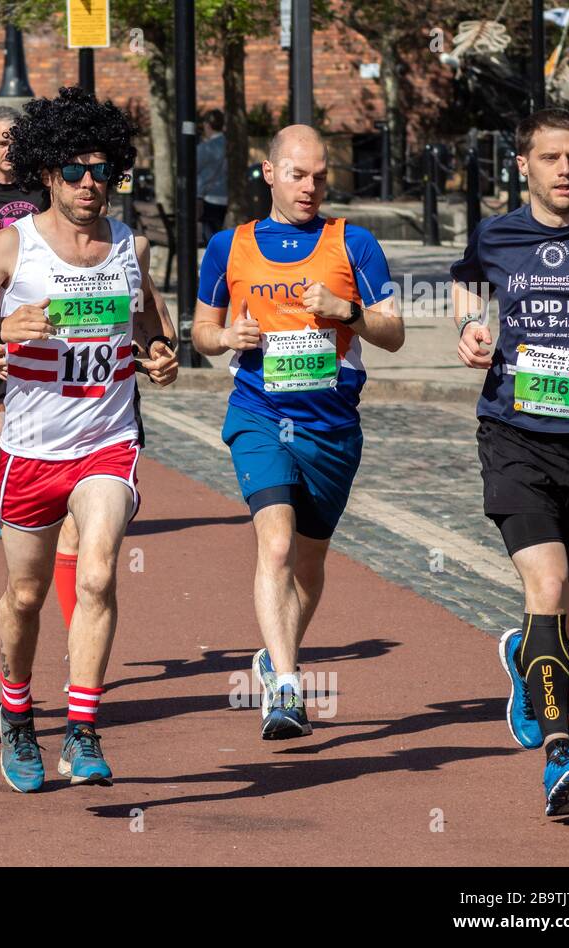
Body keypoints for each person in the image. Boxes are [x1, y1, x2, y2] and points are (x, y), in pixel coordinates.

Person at [0, 88, 179, 791]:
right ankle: (14, 710)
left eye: (102, 170)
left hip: (108, 440)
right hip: (33, 449)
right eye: (74, 169)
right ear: (46, 173)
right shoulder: (12, 245)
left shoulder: (132, 245)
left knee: (96, 571)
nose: (89, 183)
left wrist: (160, 355)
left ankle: (83, 729)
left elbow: (153, 329)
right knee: (26, 595)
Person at [451, 108, 569, 817]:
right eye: (552, 158)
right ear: (523, 164)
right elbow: (468, 281)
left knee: (568, 617)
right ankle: (561, 756)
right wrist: (472, 325)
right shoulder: (496, 233)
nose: (566, 170)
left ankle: (527, 663)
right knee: (548, 583)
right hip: (514, 435)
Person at [192, 125, 402, 741]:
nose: (309, 187)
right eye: (296, 174)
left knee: (308, 565)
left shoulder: (353, 243)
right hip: (258, 413)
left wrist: (348, 314)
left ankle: (275, 653)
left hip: (333, 426)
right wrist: (228, 338)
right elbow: (201, 333)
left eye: (318, 176)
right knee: (276, 546)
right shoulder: (229, 246)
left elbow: (393, 333)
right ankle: (286, 687)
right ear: (269, 172)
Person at [0, 105, 52, 539]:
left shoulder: (42, 189)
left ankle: (45, 495)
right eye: (2, 140)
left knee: (40, 404)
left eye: (17, 141)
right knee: (0, 410)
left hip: (40, 314)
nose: (10, 149)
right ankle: (3, 502)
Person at [196, 108, 228, 243]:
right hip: (227, 196)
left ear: (207, 125)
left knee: (210, 235)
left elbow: (194, 169)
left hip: (209, 197)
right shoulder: (231, 145)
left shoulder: (205, 147)